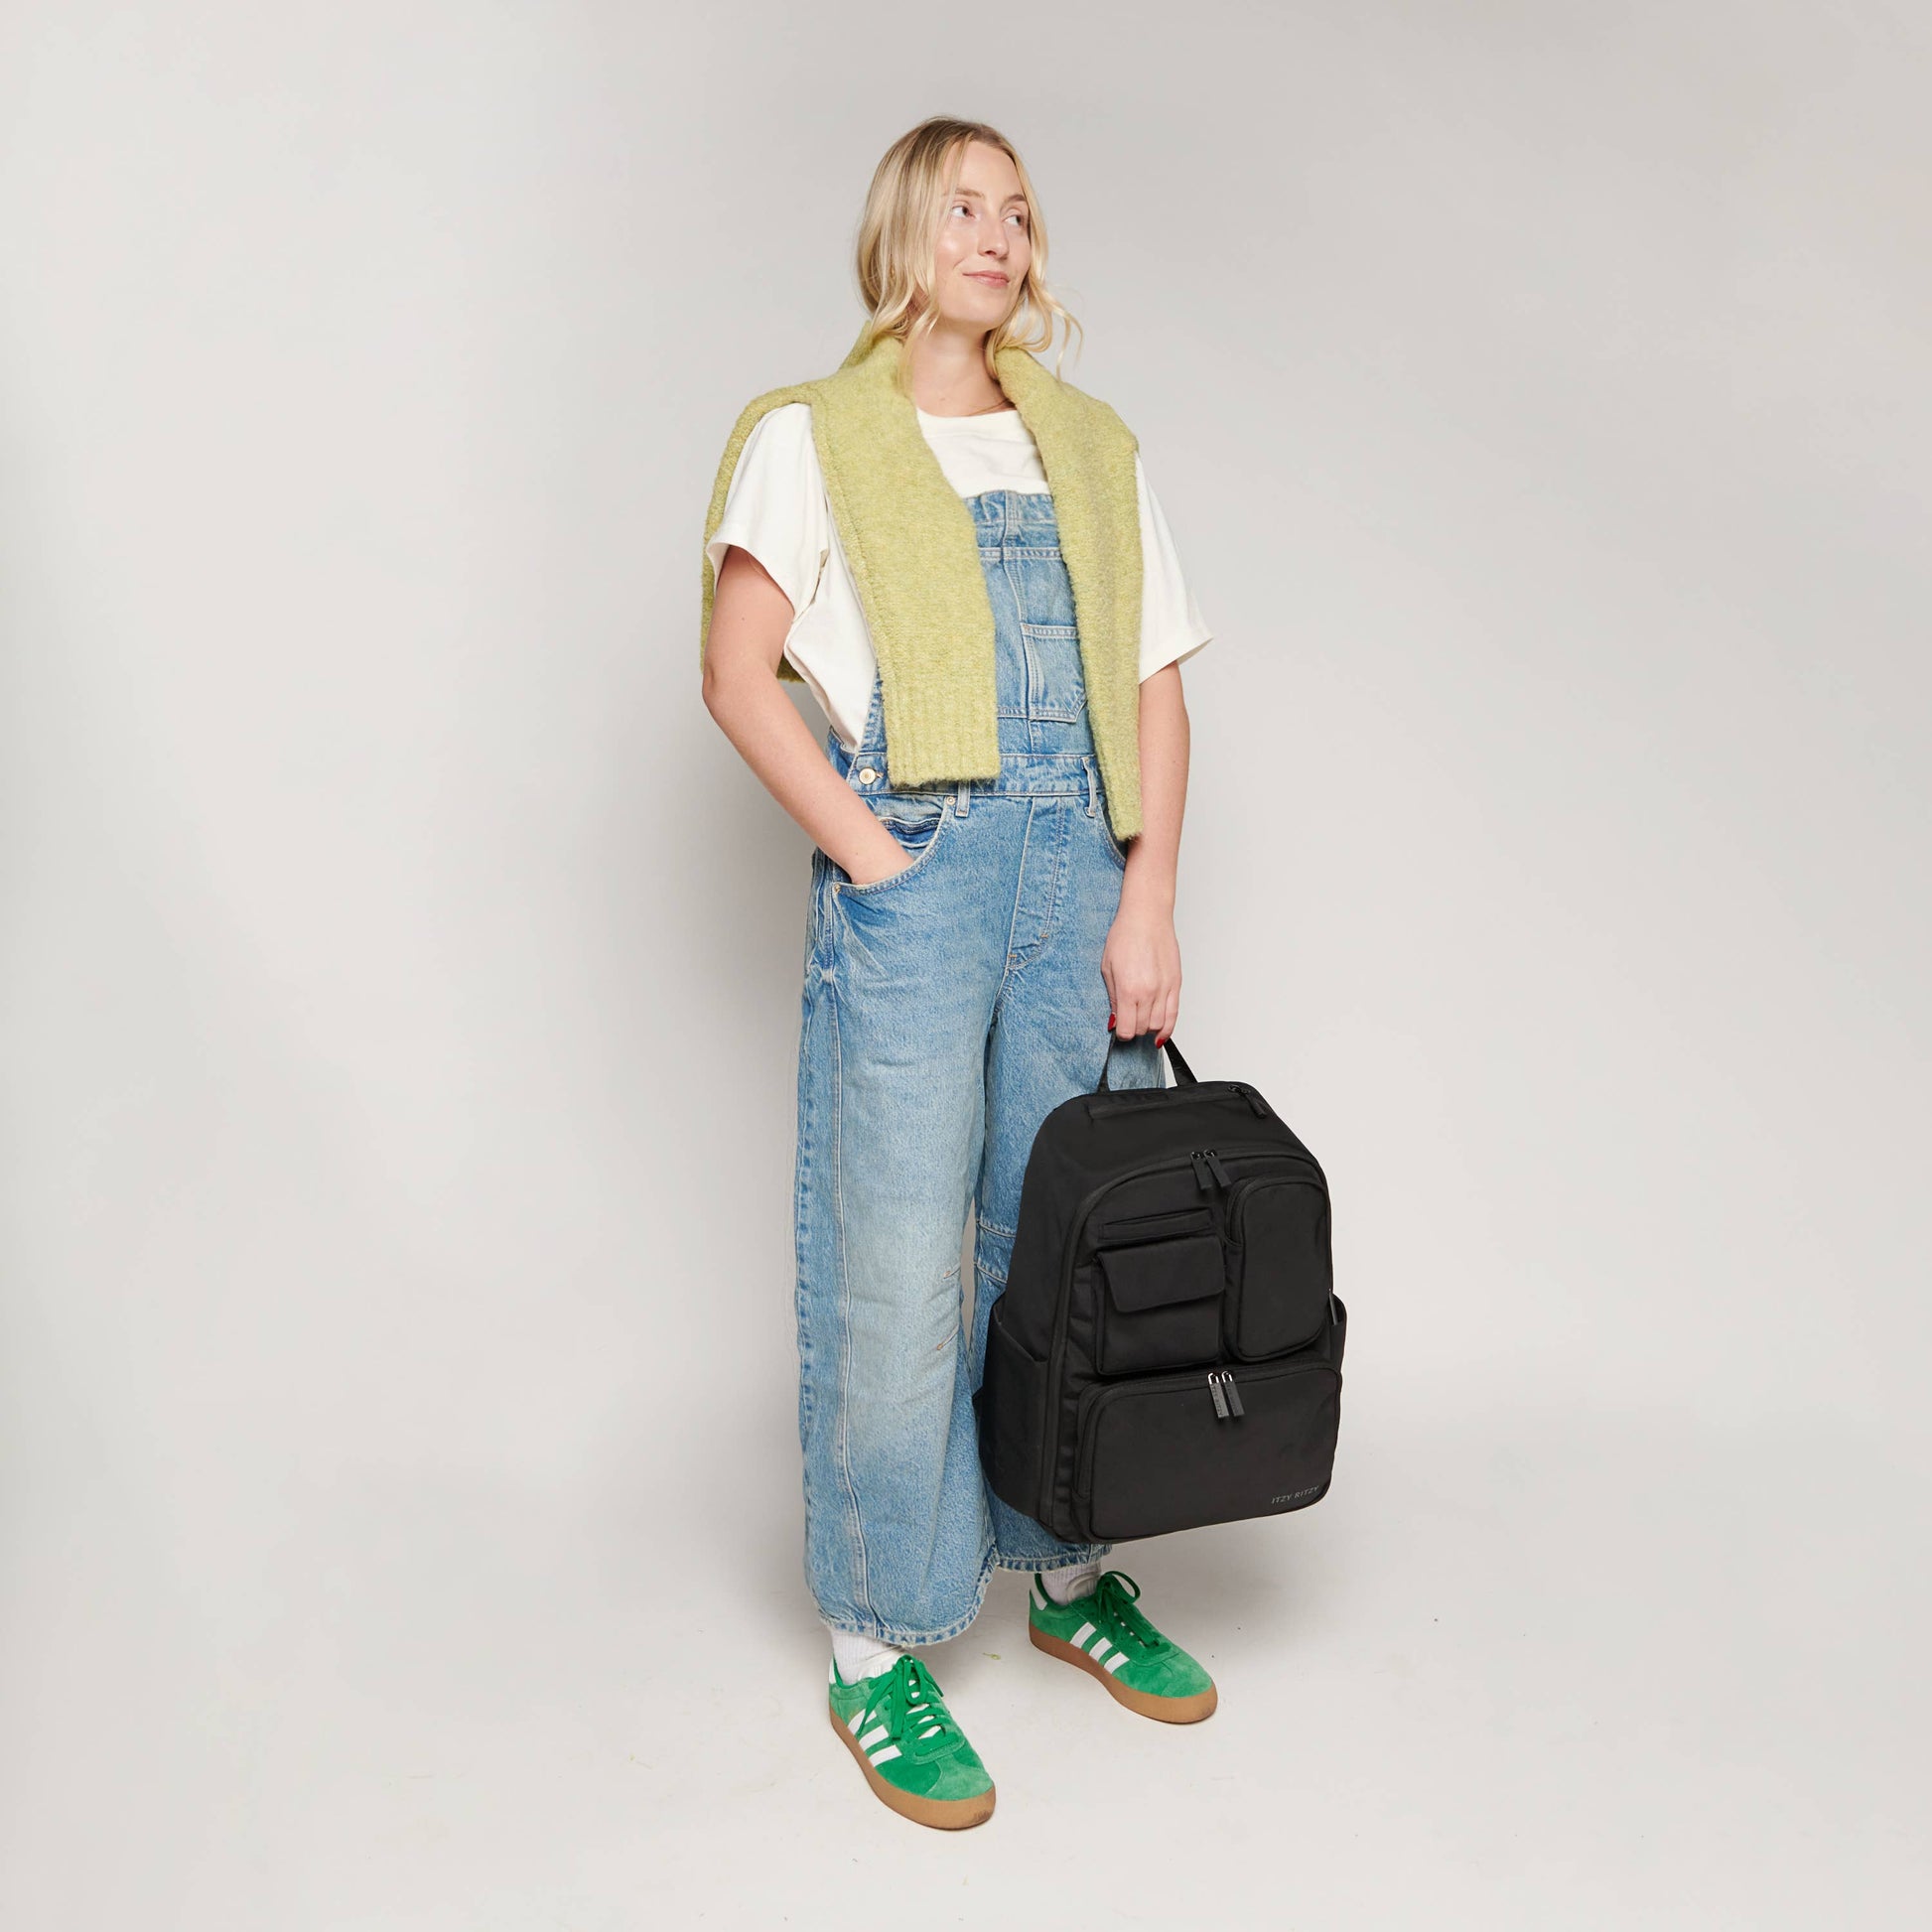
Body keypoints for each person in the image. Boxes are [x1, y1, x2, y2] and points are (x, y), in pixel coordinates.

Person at [699, 117, 1215, 1831]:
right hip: (919, 871)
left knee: (1058, 1242)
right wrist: (875, 860)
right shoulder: (812, 434)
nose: (995, 235)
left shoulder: (1092, 443)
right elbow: (737, 671)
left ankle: (1066, 1569)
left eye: (1016, 211)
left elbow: (1152, 685)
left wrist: (1146, 898)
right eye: (962, 207)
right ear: (902, 237)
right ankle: (877, 1637)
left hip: (1081, 875)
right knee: (901, 1255)